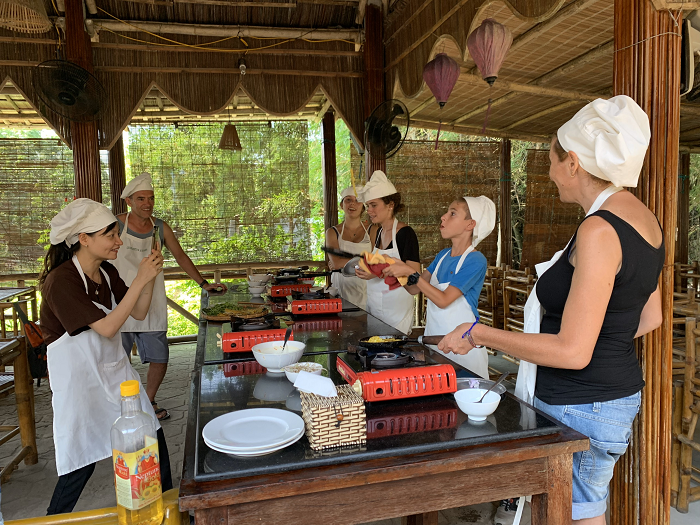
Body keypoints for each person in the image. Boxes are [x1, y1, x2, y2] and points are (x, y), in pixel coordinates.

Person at [438, 96, 663, 525]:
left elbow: (574, 352)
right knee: (585, 510)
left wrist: (479, 333)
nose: (549, 172)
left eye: (552, 160)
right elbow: (649, 317)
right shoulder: (644, 221)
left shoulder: (599, 230)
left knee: (564, 514)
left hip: (580, 404)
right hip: (612, 398)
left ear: (574, 163)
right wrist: (595, 337)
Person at [39, 198, 172, 514]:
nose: (119, 240)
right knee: (81, 461)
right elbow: (110, 328)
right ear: (84, 239)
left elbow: (138, 312)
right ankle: (53, 519)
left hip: (116, 374)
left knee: (152, 441)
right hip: (80, 383)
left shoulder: (107, 271)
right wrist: (139, 278)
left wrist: (149, 276)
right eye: (110, 234)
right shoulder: (61, 281)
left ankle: (169, 512)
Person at [113, 172, 227, 421]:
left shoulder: (160, 227)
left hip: (151, 299)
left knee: (160, 357)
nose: (147, 203)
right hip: (119, 301)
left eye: (151, 198)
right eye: (141, 198)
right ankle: (121, 407)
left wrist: (203, 283)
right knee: (116, 360)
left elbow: (180, 255)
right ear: (129, 201)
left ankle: (148, 400)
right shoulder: (116, 225)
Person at [383, 196, 496, 378]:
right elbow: (415, 289)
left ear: (470, 224)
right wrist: (396, 274)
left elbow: (443, 300)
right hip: (435, 344)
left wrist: (409, 272)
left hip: (464, 350)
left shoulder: (475, 260)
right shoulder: (442, 256)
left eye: (452, 213)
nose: (443, 217)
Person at [355, 170, 420, 334]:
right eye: (368, 205)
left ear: (390, 204)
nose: (369, 210)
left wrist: (377, 273)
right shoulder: (377, 232)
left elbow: (415, 278)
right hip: (375, 309)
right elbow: (377, 265)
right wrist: (367, 268)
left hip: (397, 313)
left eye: (374, 205)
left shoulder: (406, 234)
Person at [326, 185, 373, 309]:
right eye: (348, 200)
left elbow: (379, 261)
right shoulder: (332, 232)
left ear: (363, 206)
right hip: (341, 292)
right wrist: (365, 261)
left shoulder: (372, 230)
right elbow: (336, 263)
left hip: (367, 292)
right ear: (342, 205)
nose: (353, 204)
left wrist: (345, 262)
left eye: (357, 200)